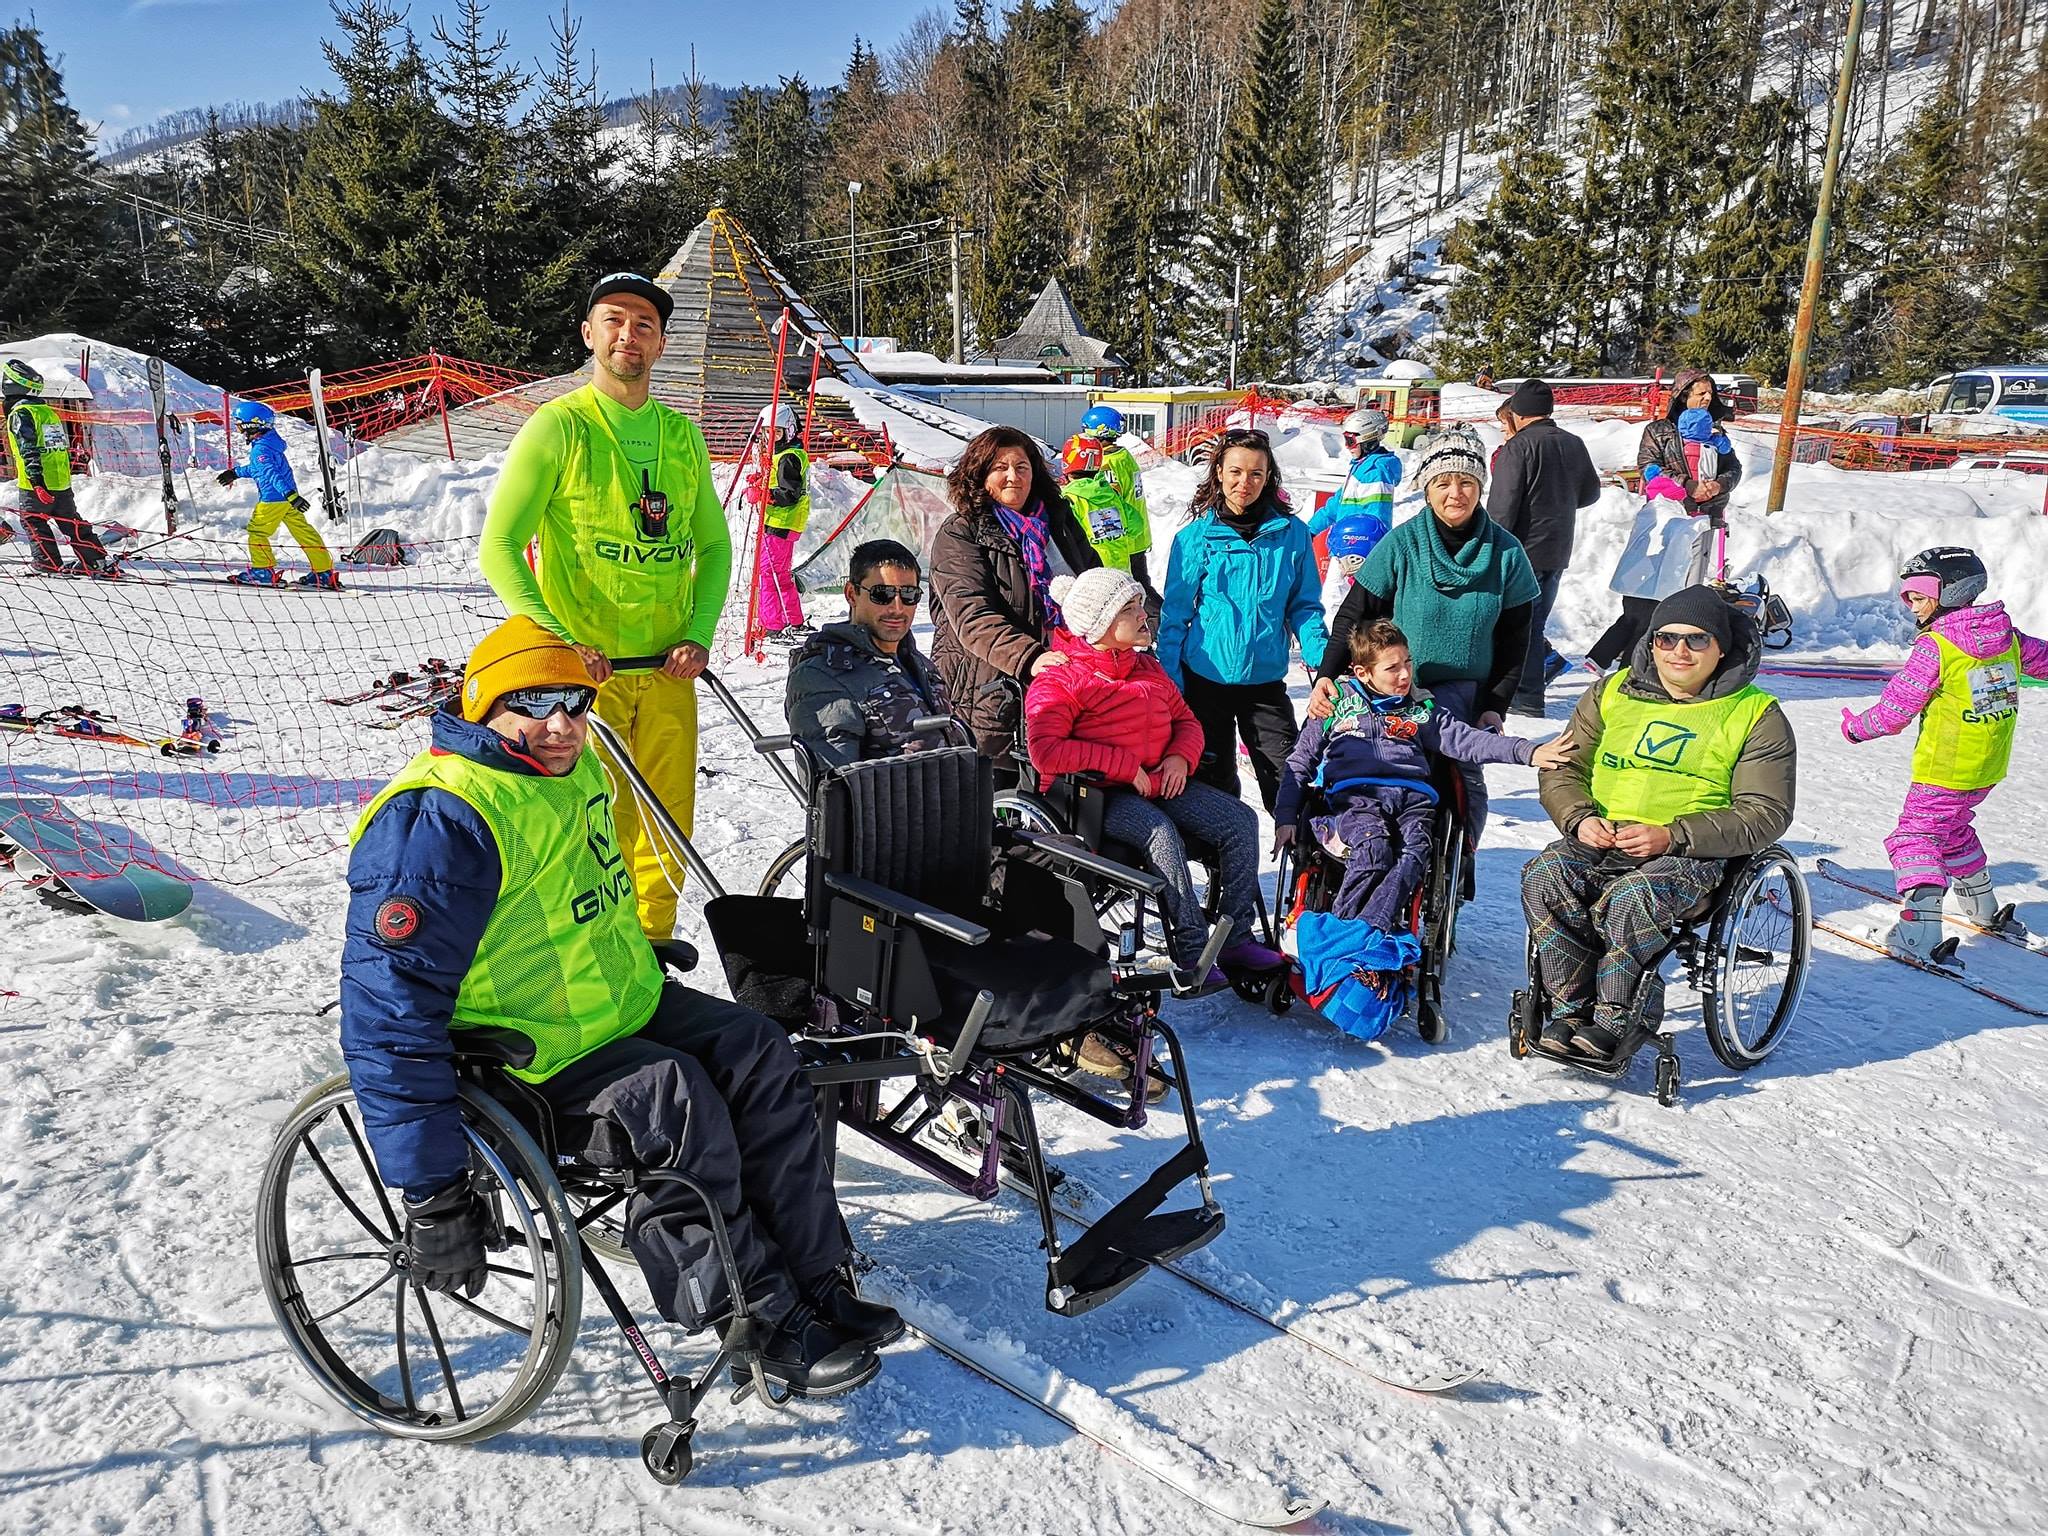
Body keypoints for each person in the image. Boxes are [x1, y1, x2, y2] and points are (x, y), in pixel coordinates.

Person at [341, 617, 898, 1397]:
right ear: (483, 706)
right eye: (534, 702)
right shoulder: (438, 822)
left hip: (611, 1010)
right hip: (522, 1057)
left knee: (759, 1048)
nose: (563, 721)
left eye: (575, 698)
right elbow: (385, 1011)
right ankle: (758, 1318)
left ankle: (817, 1280)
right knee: (676, 1100)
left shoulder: (575, 766)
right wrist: (433, 1191)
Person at [480, 271, 732, 941]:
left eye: (644, 325)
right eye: (614, 320)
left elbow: (714, 546)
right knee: (589, 827)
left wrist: (699, 633)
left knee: (665, 825)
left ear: (661, 344)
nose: (629, 335)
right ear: (589, 333)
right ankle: (581, 960)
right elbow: (499, 548)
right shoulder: (557, 428)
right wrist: (560, 643)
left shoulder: (681, 437)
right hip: (584, 684)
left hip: (667, 671)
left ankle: (649, 955)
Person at [1522, 585, 1795, 1059]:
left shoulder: (1756, 714)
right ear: (1650, 643)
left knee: (1633, 898)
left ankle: (1619, 1017)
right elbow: (1564, 765)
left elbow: (1765, 811)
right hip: (1602, 836)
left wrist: (1673, 835)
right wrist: (1578, 817)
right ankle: (1570, 1009)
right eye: (1666, 639)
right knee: (1544, 877)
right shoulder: (1611, 691)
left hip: (1691, 853)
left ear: (1723, 647)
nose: (1679, 651)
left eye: (1696, 640)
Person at [1026, 566, 1284, 990]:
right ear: (1100, 624)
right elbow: (1046, 750)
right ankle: (1192, 949)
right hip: (1098, 796)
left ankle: (1236, 937)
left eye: (1139, 603)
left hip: (1161, 782)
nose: (1143, 613)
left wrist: (1181, 758)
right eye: (1129, 607)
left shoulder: (1147, 668)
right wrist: (1126, 768)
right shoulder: (1063, 678)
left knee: (1241, 820)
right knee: (1160, 834)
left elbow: (1186, 721)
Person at [1312, 425, 1540, 839]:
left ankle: (1464, 855)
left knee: (1466, 781)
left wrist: (1495, 705)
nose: (1456, 493)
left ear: (1480, 487)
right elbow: (1354, 615)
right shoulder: (1404, 543)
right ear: (1428, 489)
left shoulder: (1506, 552)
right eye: (1444, 482)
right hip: (1394, 690)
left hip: (1464, 695)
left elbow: (1516, 638)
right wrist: (1328, 674)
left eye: (1467, 481)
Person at [1277, 619, 1568, 931]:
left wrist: (1528, 752)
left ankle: (1364, 932)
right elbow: (1300, 761)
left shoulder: (1421, 709)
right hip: (1357, 798)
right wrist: (1285, 816)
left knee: (1414, 853)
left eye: (1408, 662)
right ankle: (1347, 931)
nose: (1404, 674)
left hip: (1413, 800)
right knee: (1374, 849)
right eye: (1392, 668)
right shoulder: (1334, 704)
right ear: (1363, 672)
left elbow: (1468, 741)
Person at [1840, 548, 2048, 958]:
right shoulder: (2005, 637)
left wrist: (1856, 728)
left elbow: (1894, 712)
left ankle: (1919, 934)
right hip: (1987, 766)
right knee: (1952, 829)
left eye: (1918, 596)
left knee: (1915, 837)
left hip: (1944, 769)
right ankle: (1984, 908)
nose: (1911, 607)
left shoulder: (1937, 647)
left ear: (1951, 593)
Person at [1156, 428, 1327, 811]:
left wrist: (1322, 659)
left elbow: (1304, 606)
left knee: (1290, 782)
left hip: (1263, 684)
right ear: (1218, 471)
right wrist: (1171, 683)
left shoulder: (1292, 536)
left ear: (1269, 478)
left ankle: (1304, 863)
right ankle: (1223, 868)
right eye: (1234, 472)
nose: (1243, 483)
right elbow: (1175, 618)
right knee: (1212, 788)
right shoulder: (1195, 539)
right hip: (1204, 682)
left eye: (1255, 474)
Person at [928, 425, 1100, 764]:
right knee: (989, 794)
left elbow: (1095, 585)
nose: (1013, 477)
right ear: (978, 476)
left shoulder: (1058, 523)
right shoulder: (961, 533)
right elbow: (972, 616)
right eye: (999, 468)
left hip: (1064, 677)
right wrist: (1030, 657)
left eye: (1022, 467)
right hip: (987, 686)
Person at [1586, 371, 1743, 673]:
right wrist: (1687, 485)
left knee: (1685, 589)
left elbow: (1733, 467)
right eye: (1700, 393)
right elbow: (1649, 467)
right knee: (1651, 588)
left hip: (1705, 518)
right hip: (1667, 518)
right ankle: (1633, 658)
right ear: (1683, 395)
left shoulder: (1716, 434)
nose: (1707, 399)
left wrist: (1720, 485)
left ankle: (1655, 656)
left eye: (1710, 393)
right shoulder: (1659, 430)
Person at [786, 538, 957, 771]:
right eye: (882, 594)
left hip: (951, 801)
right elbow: (836, 789)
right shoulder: (824, 676)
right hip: (893, 806)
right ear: (851, 594)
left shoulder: (917, 664)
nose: (897, 608)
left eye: (909, 594)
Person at [1485, 379, 1602, 714]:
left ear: (1518, 413)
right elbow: (1591, 493)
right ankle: (1527, 690)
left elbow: (1503, 506)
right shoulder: (1573, 443)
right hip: (1558, 547)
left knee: (1518, 625)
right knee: (1534, 623)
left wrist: (1490, 546)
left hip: (1521, 549)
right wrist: (1559, 502)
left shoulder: (1519, 447)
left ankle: (1525, 697)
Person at [217, 399, 339, 588]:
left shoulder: (260, 449)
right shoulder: (269, 442)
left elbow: (271, 474)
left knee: (257, 532)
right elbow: (260, 469)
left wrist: (290, 495)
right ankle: (323, 572)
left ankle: (263, 571)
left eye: (240, 426)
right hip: (287, 500)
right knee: (304, 532)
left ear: (252, 425)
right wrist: (235, 473)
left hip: (273, 499)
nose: (239, 430)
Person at [3, 359, 109, 576]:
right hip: (60, 480)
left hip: (36, 483)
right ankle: (95, 560)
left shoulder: (21, 414)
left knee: (33, 522)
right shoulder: (46, 411)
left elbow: (28, 448)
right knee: (71, 522)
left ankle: (47, 564)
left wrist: (36, 481)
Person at [1306, 407, 1400, 625]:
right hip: (1344, 546)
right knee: (1332, 600)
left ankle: (1336, 652)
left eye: (1350, 441)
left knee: (1341, 602)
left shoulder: (1376, 473)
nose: (1347, 447)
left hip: (1357, 552)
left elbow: (1376, 518)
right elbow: (1335, 507)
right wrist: (1309, 530)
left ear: (1367, 439)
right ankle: (1333, 651)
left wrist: (1362, 554)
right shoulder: (1359, 469)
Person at [1059, 404, 1158, 604]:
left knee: (1136, 597)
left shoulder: (1107, 463)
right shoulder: (1124, 456)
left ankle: (1160, 627)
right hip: (1131, 535)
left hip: (1120, 542)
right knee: (1138, 591)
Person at [752, 403, 812, 643]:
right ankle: (794, 619)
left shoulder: (788, 457)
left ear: (787, 431)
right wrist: (760, 481)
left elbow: (789, 494)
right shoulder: (785, 454)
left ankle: (774, 624)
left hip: (780, 522)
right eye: (767, 432)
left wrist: (764, 495)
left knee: (768, 574)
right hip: (783, 523)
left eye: (776, 432)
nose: (770, 437)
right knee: (780, 574)